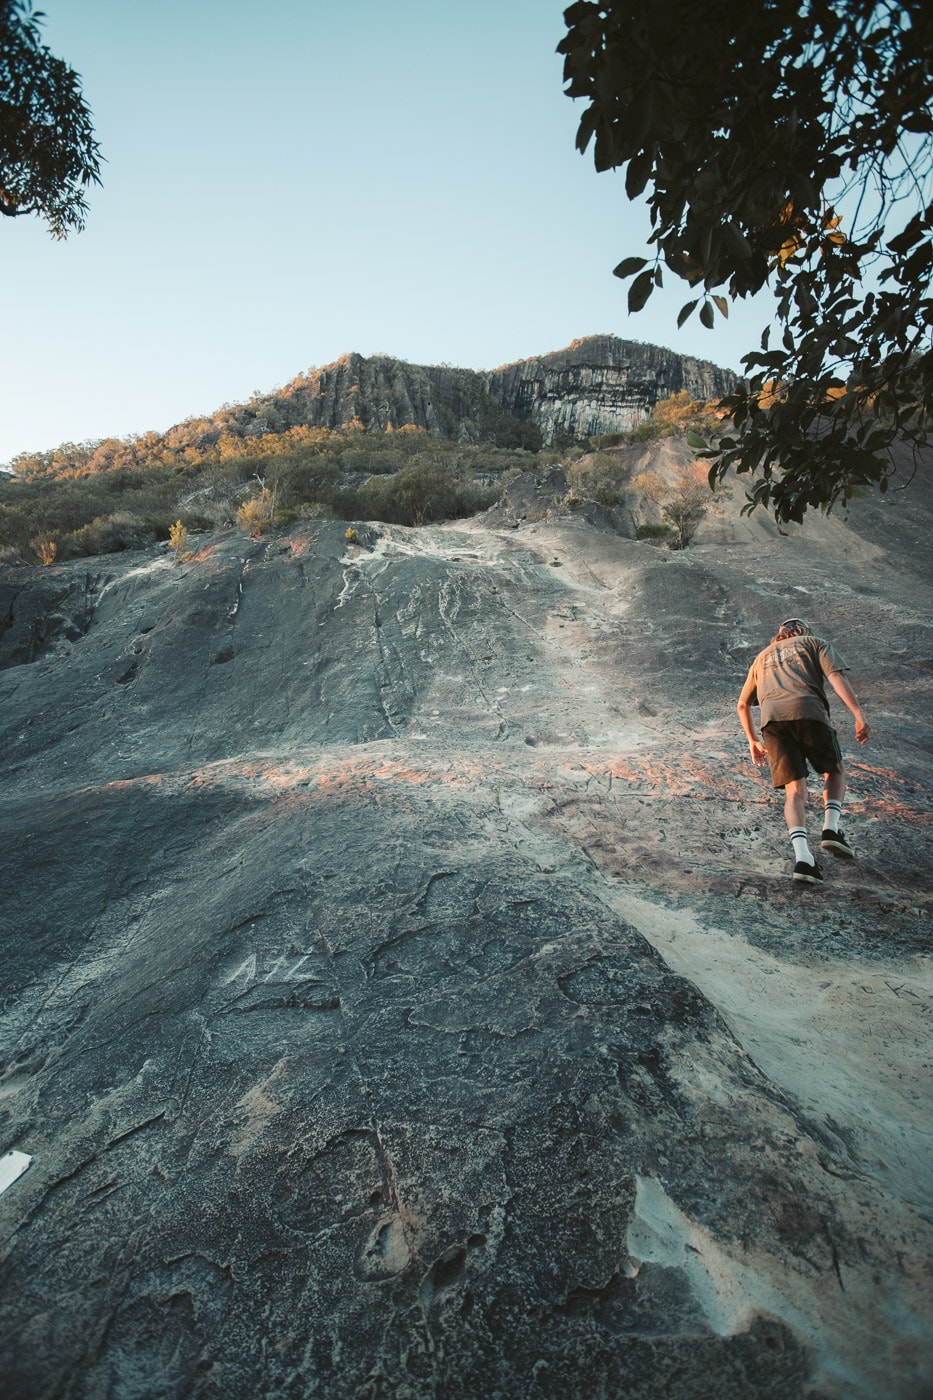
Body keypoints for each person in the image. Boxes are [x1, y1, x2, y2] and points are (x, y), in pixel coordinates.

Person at [736, 618, 870, 883]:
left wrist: (752, 740)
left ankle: (803, 860)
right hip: (808, 712)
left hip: (772, 722)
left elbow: (742, 704)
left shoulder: (761, 658)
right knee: (834, 770)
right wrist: (858, 714)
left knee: (794, 790)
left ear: (779, 635)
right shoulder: (814, 643)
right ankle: (831, 829)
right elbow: (835, 676)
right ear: (804, 631)